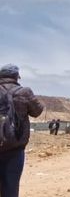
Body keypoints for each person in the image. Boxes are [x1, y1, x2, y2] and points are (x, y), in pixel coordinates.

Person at [0, 64, 44, 197]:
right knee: (11, 187)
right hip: (14, 147)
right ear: (16, 77)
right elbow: (37, 111)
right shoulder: (24, 92)